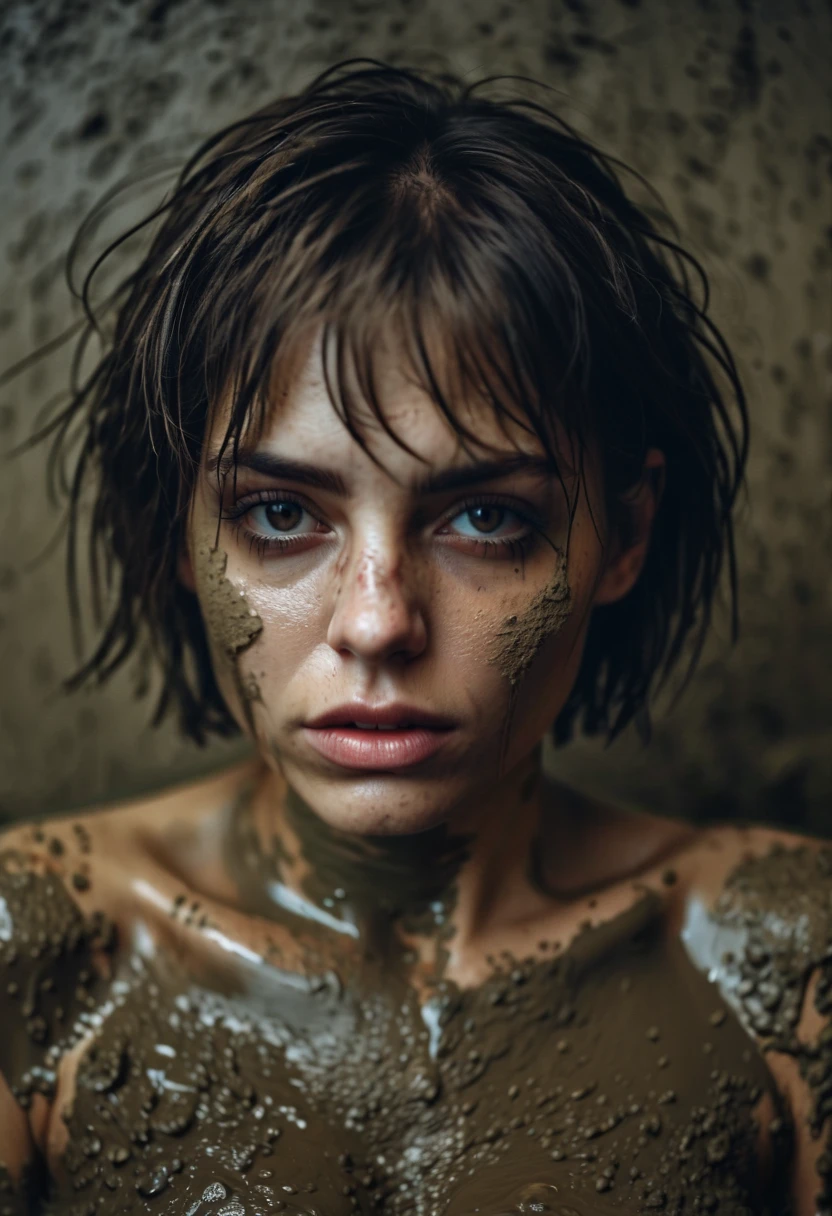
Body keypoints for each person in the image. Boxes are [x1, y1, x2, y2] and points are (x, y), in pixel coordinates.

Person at [0, 57, 827, 1216]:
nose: (378, 620)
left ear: (621, 535)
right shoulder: (37, 948)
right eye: (279, 514)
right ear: (180, 535)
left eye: (487, 517)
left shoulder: (785, 971)